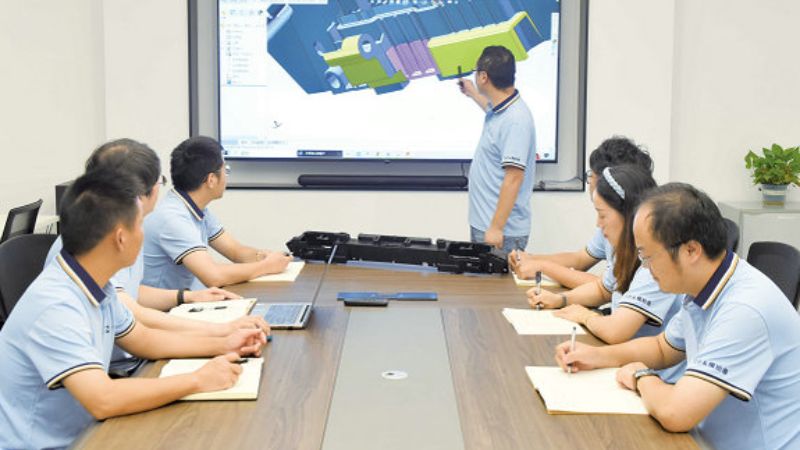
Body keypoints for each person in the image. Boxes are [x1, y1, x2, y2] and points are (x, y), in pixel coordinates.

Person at [0, 170, 267, 450]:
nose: (144, 234)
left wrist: (223, 343)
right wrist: (198, 379)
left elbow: (143, 339)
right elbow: (103, 399)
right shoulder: (56, 306)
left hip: (85, 433)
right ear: (120, 238)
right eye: (141, 225)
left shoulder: (93, 283)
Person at [554, 183, 800, 449]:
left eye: (648, 256)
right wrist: (596, 356)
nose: (646, 268)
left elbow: (676, 412)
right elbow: (663, 348)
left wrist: (641, 377)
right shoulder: (705, 286)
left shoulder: (745, 309)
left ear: (691, 250)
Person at [44, 139, 270, 376]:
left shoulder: (116, 236)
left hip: (128, 362)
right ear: (142, 193)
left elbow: (133, 311)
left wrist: (218, 330)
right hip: (115, 373)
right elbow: (103, 396)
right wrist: (218, 337)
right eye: (159, 182)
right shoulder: (90, 251)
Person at [528, 165, 683, 381]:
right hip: (630, 366)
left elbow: (616, 331)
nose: (598, 224)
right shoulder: (626, 251)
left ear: (628, 215)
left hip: (655, 377)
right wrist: (561, 299)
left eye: (602, 215)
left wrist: (585, 315)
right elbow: (602, 288)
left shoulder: (654, 264)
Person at [143, 136, 291, 291]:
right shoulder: (172, 218)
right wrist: (266, 266)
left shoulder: (195, 208)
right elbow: (213, 276)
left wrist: (264, 256)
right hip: (163, 311)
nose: (226, 177)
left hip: (187, 302)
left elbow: (235, 251)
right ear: (211, 180)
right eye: (225, 170)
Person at [509, 136, 653, 288]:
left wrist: (542, 266)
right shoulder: (611, 220)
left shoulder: (638, 233)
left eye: (591, 174)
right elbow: (580, 259)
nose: (589, 180)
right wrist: (531, 259)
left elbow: (607, 287)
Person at [458, 45, 537, 256]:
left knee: (492, 288)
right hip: (486, 224)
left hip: (501, 232)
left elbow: (513, 178)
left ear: (483, 76)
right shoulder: (503, 109)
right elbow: (492, 112)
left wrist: (496, 227)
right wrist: (473, 93)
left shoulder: (516, 121)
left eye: (476, 72)